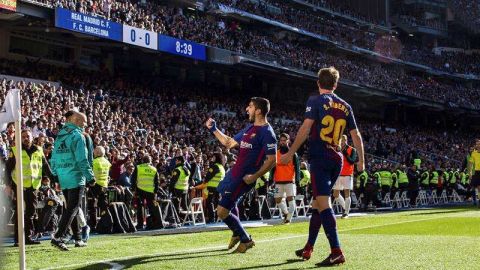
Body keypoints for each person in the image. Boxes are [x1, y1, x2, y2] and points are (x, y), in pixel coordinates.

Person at [280, 67, 364, 266]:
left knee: (323, 204)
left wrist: (290, 153)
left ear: (318, 83)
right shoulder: (346, 105)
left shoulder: (315, 100)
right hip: (337, 158)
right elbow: (356, 136)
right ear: (336, 85)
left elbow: (305, 128)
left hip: (320, 157)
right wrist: (361, 161)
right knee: (317, 204)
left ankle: (336, 250)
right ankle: (309, 247)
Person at [205, 97, 277, 253]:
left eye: (250, 106)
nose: (247, 109)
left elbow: (272, 160)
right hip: (234, 174)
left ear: (258, 110)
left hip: (244, 178)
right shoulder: (250, 128)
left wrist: (254, 176)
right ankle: (237, 233)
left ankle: (245, 238)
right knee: (225, 199)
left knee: (222, 211)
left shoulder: (268, 133)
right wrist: (213, 129)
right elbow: (229, 143)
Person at [50, 111, 95, 251]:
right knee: (72, 208)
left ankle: (78, 238)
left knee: (71, 208)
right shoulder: (78, 136)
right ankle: (58, 236)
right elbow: (82, 160)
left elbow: (53, 159)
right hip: (76, 176)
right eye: (84, 122)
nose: (85, 124)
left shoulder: (59, 137)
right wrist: (90, 177)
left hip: (63, 177)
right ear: (75, 120)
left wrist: (56, 176)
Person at [5, 129, 54, 246]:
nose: (26, 138)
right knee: (19, 212)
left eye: (28, 136)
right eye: (23, 137)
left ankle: (28, 237)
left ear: (32, 138)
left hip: (33, 186)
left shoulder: (39, 150)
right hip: (19, 186)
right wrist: (8, 185)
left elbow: (45, 167)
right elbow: (8, 169)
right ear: (20, 138)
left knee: (31, 212)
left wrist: (53, 179)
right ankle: (18, 240)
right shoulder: (15, 150)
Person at [269, 133, 300, 224]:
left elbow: (297, 168)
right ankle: (286, 213)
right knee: (277, 199)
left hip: (290, 181)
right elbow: (273, 168)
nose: (282, 142)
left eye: (284, 140)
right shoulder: (276, 153)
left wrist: (297, 181)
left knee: (291, 200)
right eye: (281, 140)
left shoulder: (293, 154)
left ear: (288, 141)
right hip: (278, 181)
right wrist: (271, 179)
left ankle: (288, 219)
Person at [131, 155, 160, 230]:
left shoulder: (138, 167)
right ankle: (152, 224)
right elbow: (157, 182)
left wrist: (133, 190)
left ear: (143, 161)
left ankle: (140, 225)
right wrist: (155, 192)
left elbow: (133, 180)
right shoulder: (154, 169)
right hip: (151, 192)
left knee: (140, 209)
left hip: (140, 190)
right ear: (150, 161)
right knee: (151, 208)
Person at [332, 135, 357, 218]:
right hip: (338, 174)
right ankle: (345, 207)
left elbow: (352, 161)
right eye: (341, 140)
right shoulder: (336, 149)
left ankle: (346, 212)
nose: (342, 142)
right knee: (335, 194)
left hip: (347, 174)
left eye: (343, 140)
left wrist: (345, 153)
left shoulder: (352, 149)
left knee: (347, 193)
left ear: (346, 140)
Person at [88, 146, 111, 229]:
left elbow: (90, 174)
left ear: (96, 153)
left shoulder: (93, 162)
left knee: (92, 207)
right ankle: (106, 223)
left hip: (95, 186)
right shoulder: (107, 162)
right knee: (103, 206)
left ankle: (93, 225)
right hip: (104, 185)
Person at [203, 152, 226, 223]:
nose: (212, 158)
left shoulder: (214, 166)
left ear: (216, 158)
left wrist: (204, 181)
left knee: (209, 203)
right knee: (217, 203)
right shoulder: (222, 167)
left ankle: (211, 218)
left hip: (212, 187)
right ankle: (217, 217)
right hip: (219, 188)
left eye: (213, 157)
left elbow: (208, 177)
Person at [467, 139, 480, 206]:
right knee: (474, 187)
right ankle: (474, 200)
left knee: (479, 187)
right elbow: (470, 164)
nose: (478, 145)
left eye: (479, 144)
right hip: (476, 172)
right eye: (477, 144)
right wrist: (470, 173)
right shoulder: (473, 153)